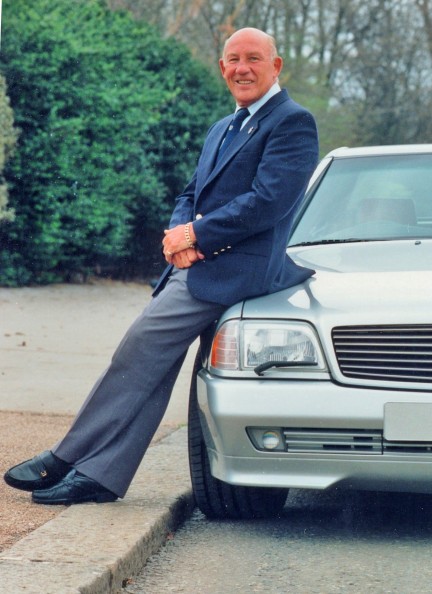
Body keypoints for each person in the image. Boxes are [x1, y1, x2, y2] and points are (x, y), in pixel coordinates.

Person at [3, 28, 319, 505]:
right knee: (150, 365)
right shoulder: (224, 125)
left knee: (136, 354)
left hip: (238, 273)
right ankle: (102, 477)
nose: (242, 69)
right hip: (198, 265)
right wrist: (179, 237)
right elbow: (190, 194)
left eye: (254, 59)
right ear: (221, 68)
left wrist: (197, 235)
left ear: (276, 67)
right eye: (233, 59)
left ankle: (65, 459)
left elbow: (269, 202)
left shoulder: (292, 122)